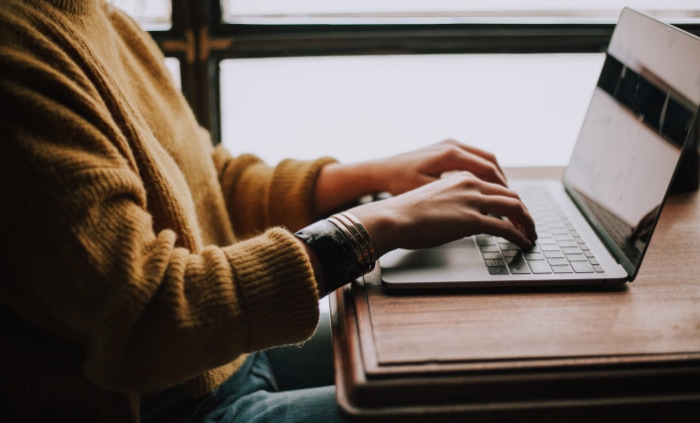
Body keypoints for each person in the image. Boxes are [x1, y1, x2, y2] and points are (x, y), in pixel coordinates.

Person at [0, 1, 536, 422]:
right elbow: (148, 319)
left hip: (221, 358)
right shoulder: (17, 58)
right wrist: (376, 225)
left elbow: (203, 183)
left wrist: (371, 177)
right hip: (167, 406)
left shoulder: (95, 15)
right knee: (500, 406)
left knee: (490, 359)